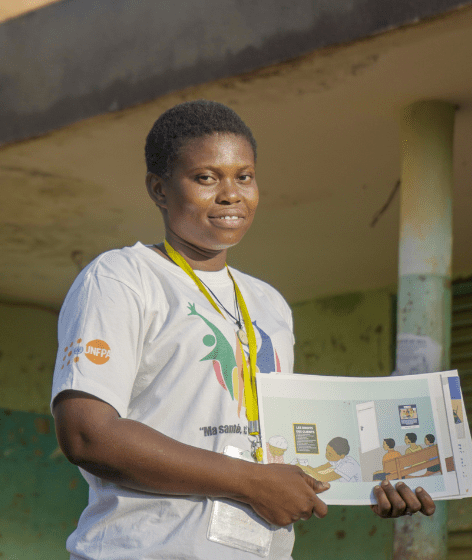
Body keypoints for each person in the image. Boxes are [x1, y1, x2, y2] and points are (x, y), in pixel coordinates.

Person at [51, 100, 434, 560]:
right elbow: (87, 435)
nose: (231, 194)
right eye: (206, 178)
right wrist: (250, 482)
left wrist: (375, 480)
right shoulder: (122, 277)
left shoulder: (268, 303)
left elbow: (280, 449)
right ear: (159, 188)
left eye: (244, 176)